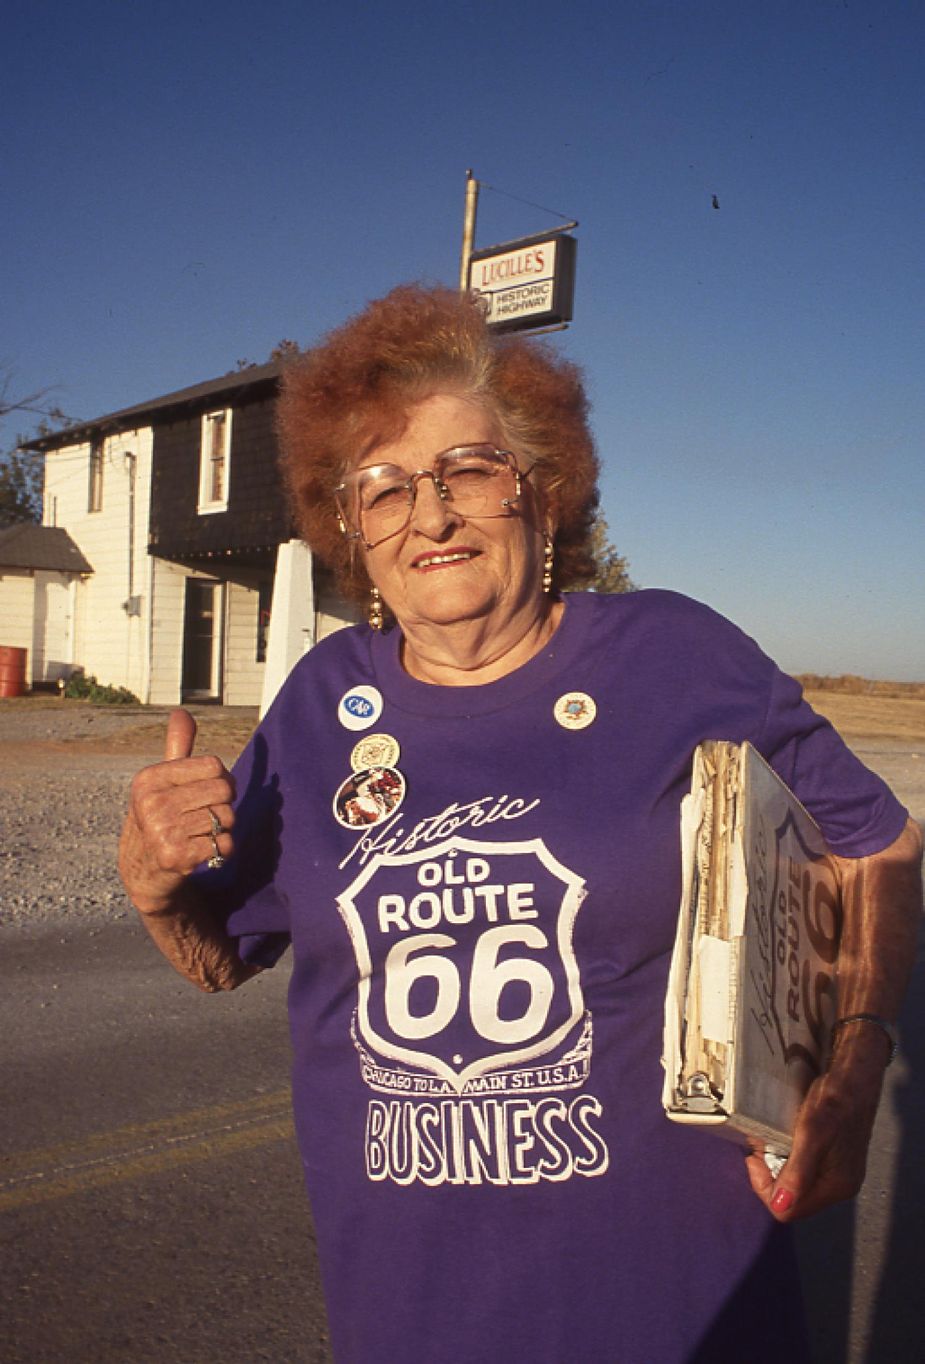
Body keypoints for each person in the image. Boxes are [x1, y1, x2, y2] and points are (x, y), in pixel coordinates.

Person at [119, 284, 922, 1364]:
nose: (430, 515)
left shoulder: (674, 655)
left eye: (468, 470)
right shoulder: (316, 704)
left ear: (542, 490)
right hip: (406, 1320)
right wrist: (154, 885)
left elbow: (878, 844)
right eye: (384, 487)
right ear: (350, 528)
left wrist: (856, 1067)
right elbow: (222, 957)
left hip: (684, 1309)